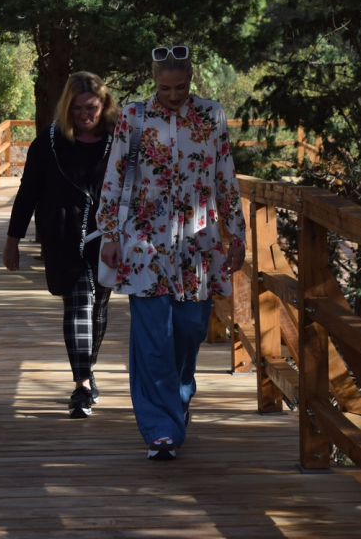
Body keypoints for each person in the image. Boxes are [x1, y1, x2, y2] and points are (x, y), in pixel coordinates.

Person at [97, 45, 245, 461]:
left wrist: (237, 237)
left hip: (198, 242)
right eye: (165, 87)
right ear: (153, 80)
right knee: (153, 338)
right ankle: (160, 429)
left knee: (188, 330)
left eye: (181, 87)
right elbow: (115, 175)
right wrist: (109, 233)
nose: (174, 95)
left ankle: (177, 401)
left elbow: (226, 177)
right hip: (145, 240)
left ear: (192, 79)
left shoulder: (211, 115)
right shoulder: (134, 116)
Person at [2, 71, 120, 419]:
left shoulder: (119, 141)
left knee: (98, 309)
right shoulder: (50, 142)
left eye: (93, 108)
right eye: (78, 109)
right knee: (78, 303)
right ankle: (81, 384)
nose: (85, 116)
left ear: (104, 106)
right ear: (67, 109)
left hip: (107, 238)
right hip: (63, 236)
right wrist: (13, 241)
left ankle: (89, 367)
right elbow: (28, 193)